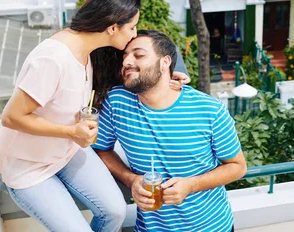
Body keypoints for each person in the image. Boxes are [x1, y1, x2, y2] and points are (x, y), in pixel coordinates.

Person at [0, 0, 190, 232]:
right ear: (112, 28)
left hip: (65, 152)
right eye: (131, 27)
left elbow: (116, 80)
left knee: (115, 212)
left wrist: (163, 78)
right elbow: (11, 117)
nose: (134, 34)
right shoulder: (52, 59)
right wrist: (71, 133)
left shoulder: (89, 51)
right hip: (28, 167)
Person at [93, 30, 247, 232]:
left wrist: (191, 184)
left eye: (138, 55)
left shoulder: (209, 109)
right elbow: (101, 149)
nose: (127, 62)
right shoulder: (116, 102)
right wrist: (131, 180)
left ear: (165, 62)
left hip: (213, 227)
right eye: (125, 57)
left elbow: (237, 166)